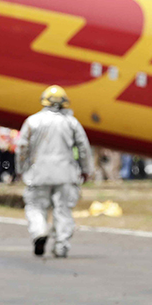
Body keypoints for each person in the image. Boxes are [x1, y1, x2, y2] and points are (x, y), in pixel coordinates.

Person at [16, 85, 93, 258]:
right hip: (65, 174)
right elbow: (83, 147)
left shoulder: (32, 121)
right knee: (63, 210)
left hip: (38, 173)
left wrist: (20, 169)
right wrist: (86, 169)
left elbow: (21, 148)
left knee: (35, 206)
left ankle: (39, 232)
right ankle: (61, 246)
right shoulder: (71, 122)